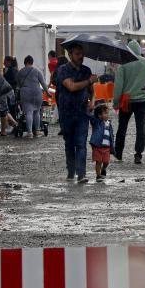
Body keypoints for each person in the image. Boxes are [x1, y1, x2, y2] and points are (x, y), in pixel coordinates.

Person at [56, 42, 97, 184]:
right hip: (66, 112)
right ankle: (71, 171)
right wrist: (88, 81)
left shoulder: (86, 70)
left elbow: (92, 91)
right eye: (77, 54)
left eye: (82, 53)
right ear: (70, 54)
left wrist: (92, 101)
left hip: (82, 113)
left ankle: (81, 174)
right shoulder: (62, 70)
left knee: (81, 143)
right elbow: (71, 86)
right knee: (69, 143)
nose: (81, 56)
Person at [113, 40, 145, 164]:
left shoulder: (123, 65)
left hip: (126, 102)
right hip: (142, 100)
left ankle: (118, 154)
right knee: (140, 128)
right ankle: (138, 154)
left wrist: (116, 102)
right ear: (139, 50)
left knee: (122, 127)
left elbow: (118, 86)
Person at [16, 55, 50, 138]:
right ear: (32, 62)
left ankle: (30, 132)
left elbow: (18, 85)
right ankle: (37, 131)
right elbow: (43, 83)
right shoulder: (37, 71)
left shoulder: (20, 72)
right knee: (37, 112)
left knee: (28, 112)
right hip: (37, 93)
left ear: (25, 62)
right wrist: (47, 92)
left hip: (26, 93)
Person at [88, 104, 115, 182]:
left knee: (106, 162)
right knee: (98, 161)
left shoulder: (109, 124)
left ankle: (104, 168)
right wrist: (91, 109)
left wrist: (112, 145)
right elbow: (92, 117)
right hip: (97, 146)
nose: (107, 115)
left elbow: (111, 135)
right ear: (99, 115)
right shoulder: (97, 123)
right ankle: (98, 175)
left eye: (107, 113)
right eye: (105, 113)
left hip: (107, 147)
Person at [0, 69, 17, 136]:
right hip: (6, 90)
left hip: (3, 91)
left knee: (2, 111)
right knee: (3, 110)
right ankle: (15, 124)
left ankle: (3, 131)